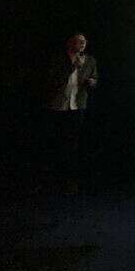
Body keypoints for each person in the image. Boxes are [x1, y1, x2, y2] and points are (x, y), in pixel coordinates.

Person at [44, 32, 98, 194]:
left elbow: (95, 78)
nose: (81, 44)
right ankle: (50, 179)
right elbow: (51, 79)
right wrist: (73, 65)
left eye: (84, 41)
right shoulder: (58, 58)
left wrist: (92, 82)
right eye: (78, 41)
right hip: (57, 106)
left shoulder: (90, 60)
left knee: (71, 144)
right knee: (53, 142)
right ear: (70, 43)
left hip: (77, 107)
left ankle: (69, 181)